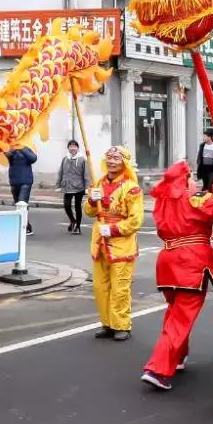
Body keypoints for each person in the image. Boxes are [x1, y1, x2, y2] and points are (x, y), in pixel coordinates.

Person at [141, 161, 213, 391]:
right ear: (185, 179)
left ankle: (178, 357)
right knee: (181, 317)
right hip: (191, 261)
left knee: (174, 312)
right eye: (192, 177)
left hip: (167, 260)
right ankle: (158, 368)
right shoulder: (195, 198)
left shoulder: (163, 202)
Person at [85, 146, 144, 342]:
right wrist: (93, 202)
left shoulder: (131, 188)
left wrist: (113, 229)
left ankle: (121, 325)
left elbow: (136, 220)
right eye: (109, 158)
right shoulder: (98, 183)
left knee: (120, 289)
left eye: (116, 159)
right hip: (99, 244)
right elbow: (89, 211)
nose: (111, 162)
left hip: (121, 246)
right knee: (100, 288)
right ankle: (107, 323)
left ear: (124, 163)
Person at [57, 140, 90, 234]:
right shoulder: (65, 158)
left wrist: (87, 187)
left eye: (74, 146)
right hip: (67, 186)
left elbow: (86, 174)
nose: (72, 148)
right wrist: (58, 184)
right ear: (68, 148)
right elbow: (61, 172)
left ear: (77, 148)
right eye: (71, 146)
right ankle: (73, 220)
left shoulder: (82, 159)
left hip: (79, 187)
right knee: (66, 205)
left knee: (77, 206)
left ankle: (78, 227)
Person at [5, 146, 37, 235]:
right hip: (14, 181)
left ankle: (25, 226)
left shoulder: (27, 148)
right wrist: (10, 152)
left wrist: (22, 149)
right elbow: (7, 157)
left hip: (26, 181)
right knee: (18, 204)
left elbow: (33, 158)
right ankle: (27, 225)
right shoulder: (11, 149)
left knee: (22, 202)